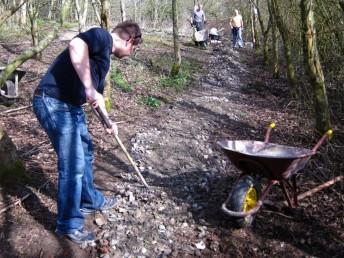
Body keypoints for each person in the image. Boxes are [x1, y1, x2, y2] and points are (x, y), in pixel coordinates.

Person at [32, 21, 142, 245]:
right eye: (134, 48)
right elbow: (75, 44)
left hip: (71, 106)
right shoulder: (102, 37)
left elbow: (94, 100)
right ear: (129, 40)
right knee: (73, 163)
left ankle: (90, 200)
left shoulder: (103, 61)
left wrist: (108, 122)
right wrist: (90, 88)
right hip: (53, 101)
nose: (132, 53)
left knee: (86, 153)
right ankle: (68, 224)